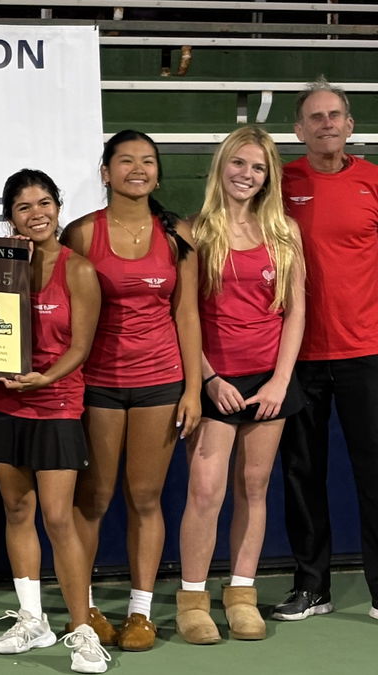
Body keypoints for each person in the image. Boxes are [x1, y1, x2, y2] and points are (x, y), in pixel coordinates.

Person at [62, 130, 201, 651]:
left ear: (158, 174)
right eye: (125, 161)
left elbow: (186, 315)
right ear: (105, 172)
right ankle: (88, 609)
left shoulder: (178, 235)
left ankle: (141, 613)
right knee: (94, 498)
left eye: (147, 161)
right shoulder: (80, 233)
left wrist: (192, 389)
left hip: (160, 384)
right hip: (97, 384)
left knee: (145, 497)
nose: (136, 169)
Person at [175, 126, 306, 644]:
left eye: (257, 168)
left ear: (268, 176)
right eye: (238, 164)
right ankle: (192, 600)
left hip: (268, 382)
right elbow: (181, 314)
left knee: (254, 487)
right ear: (221, 166)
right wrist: (207, 378)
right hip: (213, 382)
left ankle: (242, 594)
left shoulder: (285, 233)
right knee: (205, 491)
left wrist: (279, 380)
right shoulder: (193, 232)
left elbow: (296, 313)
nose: (246, 175)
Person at [0, 170, 108, 673]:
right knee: (17, 509)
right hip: (2, 401)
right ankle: (33, 619)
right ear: (10, 216)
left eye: (45, 203)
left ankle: (81, 630)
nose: (37, 214)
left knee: (58, 516)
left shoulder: (78, 270)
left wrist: (43, 378)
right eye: (24, 207)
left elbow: (81, 347)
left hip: (56, 404)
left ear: (57, 207)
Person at [274, 77, 378, 623]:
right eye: (315, 117)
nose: (327, 124)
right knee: (301, 473)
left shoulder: (373, 182)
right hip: (297, 355)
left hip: (367, 353)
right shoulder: (280, 183)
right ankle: (312, 588)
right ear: (298, 130)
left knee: (375, 473)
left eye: (335, 114)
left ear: (350, 125)